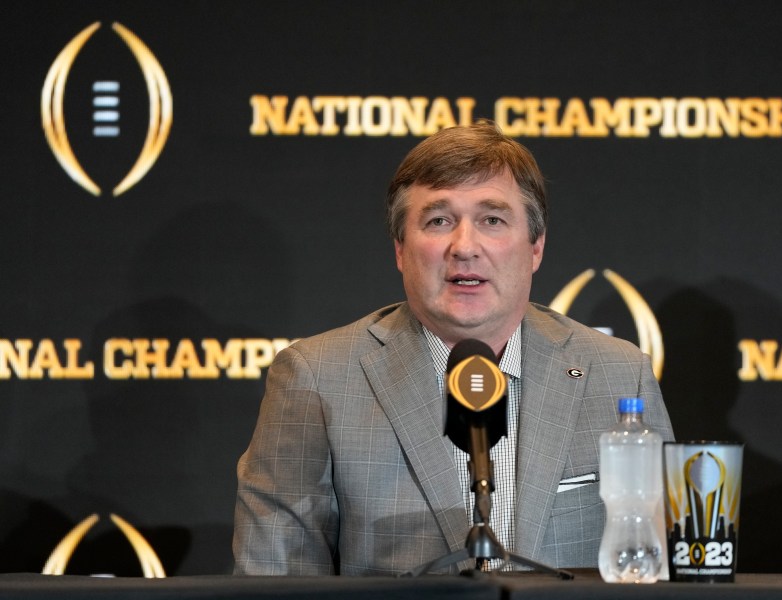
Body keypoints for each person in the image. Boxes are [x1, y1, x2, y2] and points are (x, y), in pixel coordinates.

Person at [232, 120, 674, 576]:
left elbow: (662, 567)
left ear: (536, 246)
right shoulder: (317, 379)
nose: (464, 247)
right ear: (401, 248)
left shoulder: (617, 373)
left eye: (492, 220)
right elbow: (274, 579)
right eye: (439, 220)